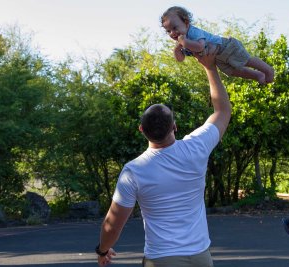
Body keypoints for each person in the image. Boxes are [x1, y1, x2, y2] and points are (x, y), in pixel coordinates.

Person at [95, 44, 231, 267]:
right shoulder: (196, 148)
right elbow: (222, 110)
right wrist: (210, 68)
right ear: (174, 127)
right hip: (201, 258)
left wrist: (102, 250)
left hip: (161, 259)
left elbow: (113, 223)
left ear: (141, 130)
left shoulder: (134, 171)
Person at [160, 6, 274, 85]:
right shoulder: (182, 41)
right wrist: (177, 50)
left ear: (186, 23)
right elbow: (180, 59)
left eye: (175, 28)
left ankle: (267, 70)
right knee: (233, 72)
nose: (172, 33)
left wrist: (184, 42)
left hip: (225, 47)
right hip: (217, 58)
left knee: (245, 60)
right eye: (168, 31)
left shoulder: (192, 32)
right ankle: (257, 75)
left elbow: (200, 46)